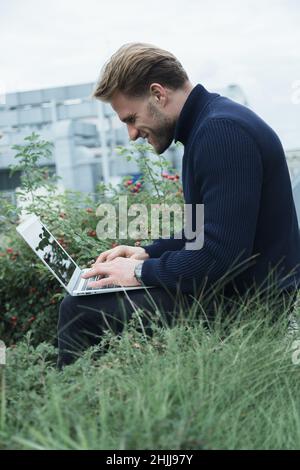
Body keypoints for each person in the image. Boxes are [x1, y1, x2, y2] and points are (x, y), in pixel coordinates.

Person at [57, 43, 300, 369]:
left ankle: (73, 409)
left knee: (80, 309)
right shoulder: (209, 125)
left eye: (131, 118)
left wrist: (138, 273)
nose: (130, 134)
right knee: (93, 300)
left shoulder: (220, 133)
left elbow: (218, 259)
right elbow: (203, 232)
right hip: (237, 292)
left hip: (249, 307)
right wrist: (147, 253)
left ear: (158, 94)